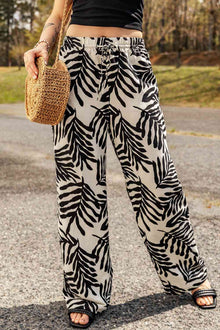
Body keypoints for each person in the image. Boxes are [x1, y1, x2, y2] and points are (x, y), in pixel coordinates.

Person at [23, 0, 217, 328]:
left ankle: (187, 272)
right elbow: (58, 15)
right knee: (78, 183)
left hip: (132, 60)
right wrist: (41, 46)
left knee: (158, 175)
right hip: (77, 63)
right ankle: (84, 291)